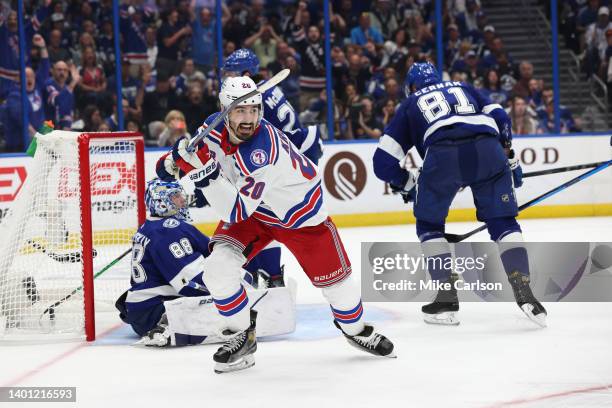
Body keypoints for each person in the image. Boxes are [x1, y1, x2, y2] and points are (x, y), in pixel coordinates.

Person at [157, 75, 395, 373]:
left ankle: (356, 331)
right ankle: (242, 336)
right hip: (256, 215)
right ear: (224, 111)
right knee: (217, 270)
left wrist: (204, 172)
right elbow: (193, 158)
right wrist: (172, 162)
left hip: (300, 217)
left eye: (254, 110)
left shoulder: (262, 150)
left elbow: (234, 210)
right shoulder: (212, 128)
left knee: (340, 289)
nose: (249, 118)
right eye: (241, 111)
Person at [372, 62, 547, 327]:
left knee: (429, 225)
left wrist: (408, 183)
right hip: (489, 150)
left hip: (442, 156)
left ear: (411, 88)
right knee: (504, 223)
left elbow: (382, 163)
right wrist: (508, 156)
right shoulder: (464, 87)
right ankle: (525, 293)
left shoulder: (409, 105)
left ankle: (446, 300)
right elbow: (501, 117)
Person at [115, 178, 296, 347]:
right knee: (233, 310)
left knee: (258, 234)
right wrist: (240, 284)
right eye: (176, 196)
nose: (183, 201)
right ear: (161, 201)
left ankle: (272, 279)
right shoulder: (167, 230)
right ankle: (166, 327)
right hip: (155, 312)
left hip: (145, 310)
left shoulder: (156, 227)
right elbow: (191, 283)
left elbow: (211, 252)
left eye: (181, 195)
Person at [219, 48, 323, 288]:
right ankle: (268, 274)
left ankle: (270, 274)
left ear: (246, 73)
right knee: (262, 215)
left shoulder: (252, 97)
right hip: (293, 152)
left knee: (262, 215)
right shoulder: (261, 90)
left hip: (284, 160)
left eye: (230, 73)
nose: (226, 77)